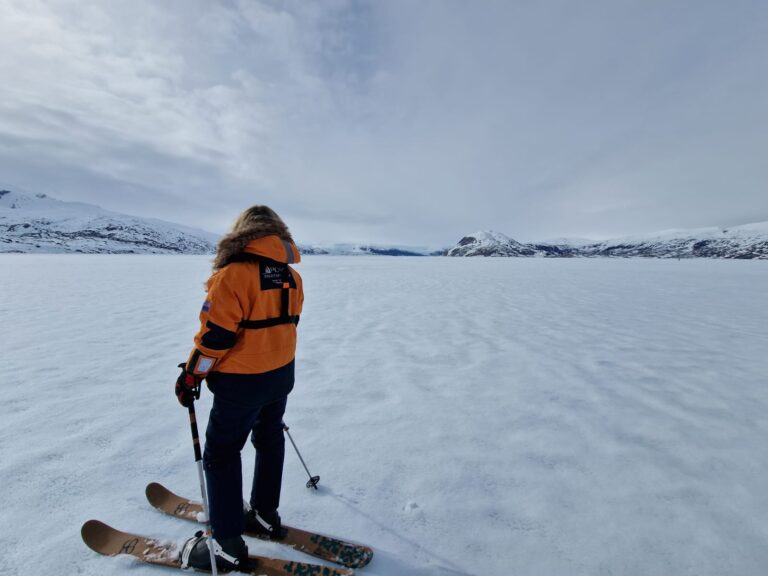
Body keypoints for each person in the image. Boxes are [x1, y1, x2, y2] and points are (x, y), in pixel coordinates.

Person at [174, 205, 304, 571]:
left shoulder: (232, 276)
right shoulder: (292, 277)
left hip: (242, 382)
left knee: (221, 453)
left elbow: (215, 338)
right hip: (280, 374)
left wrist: (191, 376)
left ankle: (227, 545)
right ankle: (264, 515)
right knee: (269, 437)